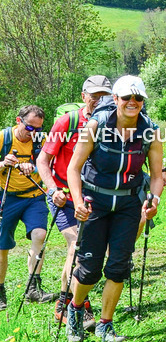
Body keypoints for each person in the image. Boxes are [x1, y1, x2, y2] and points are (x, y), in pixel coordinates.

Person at [66, 76, 164, 342]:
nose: (133, 103)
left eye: (138, 99)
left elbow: (156, 175)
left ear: (143, 102)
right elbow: (73, 168)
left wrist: (153, 199)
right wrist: (77, 201)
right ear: (116, 100)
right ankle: (74, 310)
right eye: (126, 98)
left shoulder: (151, 131)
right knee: (89, 269)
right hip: (94, 203)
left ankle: (105, 325)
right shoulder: (96, 126)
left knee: (119, 266)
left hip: (128, 205)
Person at [37, 75, 112, 329]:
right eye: (94, 95)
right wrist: (53, 189)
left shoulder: (111, 122)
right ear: (83, 96)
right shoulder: (67, 122)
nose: (99, 100)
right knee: (76, 244)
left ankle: (70, 300)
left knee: (93, 249)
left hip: (95, 197)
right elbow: (42, 161)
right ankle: (71, 305)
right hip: (64, 197)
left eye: (104, 95)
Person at [0, 105, 54, 310]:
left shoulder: (41, 140)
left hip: (34, 196)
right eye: (30, 128)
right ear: (18, 120)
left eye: (38, 129)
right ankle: (0, 291)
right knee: (2, 246)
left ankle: (33, 288)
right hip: (6, 196)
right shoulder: (4, 138)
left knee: (39, 235)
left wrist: (34, 164)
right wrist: (4, 163)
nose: (34, 133)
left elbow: (49, 164)